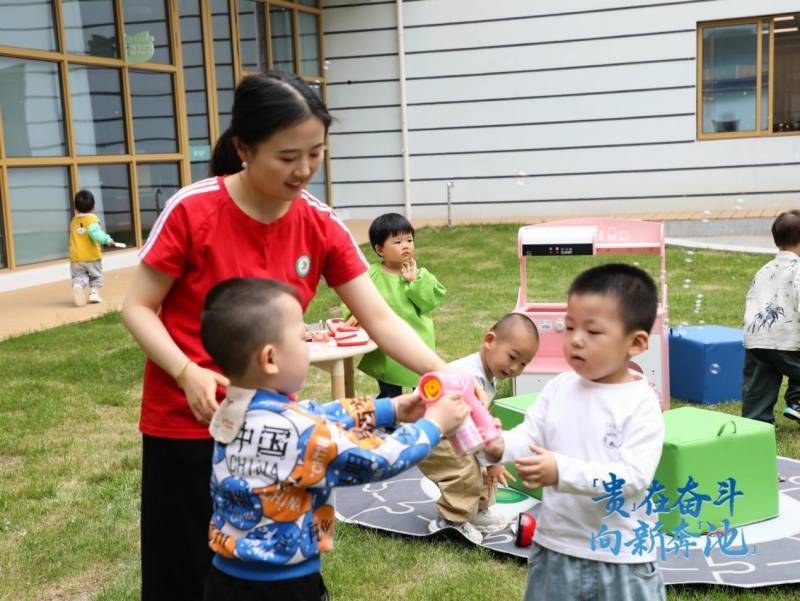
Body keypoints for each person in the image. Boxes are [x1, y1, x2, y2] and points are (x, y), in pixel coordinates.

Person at [122, 71, 454, 601]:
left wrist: (445, 373)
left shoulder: (320, 223)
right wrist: (186, 371)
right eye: (287, 156)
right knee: (180, 573)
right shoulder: (192, 209)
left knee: (276, 565)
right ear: (244, 148)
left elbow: (382, 319)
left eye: (316, 153)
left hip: (274, 427)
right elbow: (137, 307)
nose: (304, 170)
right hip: (184, 422)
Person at [199, 277, 469, 600]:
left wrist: (391, 409)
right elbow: (379, 457)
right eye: (303, 338)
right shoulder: (301, 433)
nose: (310, 343)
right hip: (283, 587)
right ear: (270, 358)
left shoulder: (231, 411)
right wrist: (434, 425)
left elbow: (317, 414)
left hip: (223, 578)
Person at [483, 264, 665, 601]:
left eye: (593, 331)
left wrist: (560, 471)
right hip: (556, 550)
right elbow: (529, 436)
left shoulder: (640, 403)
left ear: (636, 343)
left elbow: (633, 478)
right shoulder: (559, 388)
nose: (576, 339)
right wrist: (496, 446)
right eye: (569, 327)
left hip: (620, 559)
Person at [419, 312, 539, 543]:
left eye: (523, 363)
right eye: (513, 357)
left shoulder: (487, 375)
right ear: (490, 340)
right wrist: (492, 462)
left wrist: (490, 463)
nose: (515, 367)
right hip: (431, 432)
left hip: (453, 430)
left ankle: (477, 511)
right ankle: (451, 521)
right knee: (464, 472)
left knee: (482, 468)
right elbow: (469, 431)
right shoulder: (470, 375)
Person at [343, 213, 446, 398]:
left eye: (409, 240)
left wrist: (413, 282)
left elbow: (428, 303)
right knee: (389, 392)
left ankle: (425, 419)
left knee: (423, 391)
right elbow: (355, 297)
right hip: (388, 346)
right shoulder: (372, 275)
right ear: (380, 249)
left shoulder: (420, 274)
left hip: (418, 340)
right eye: (397, 242)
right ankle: (387, 422)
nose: (406, 245)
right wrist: (357, 313)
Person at [742, 210, 800, 425]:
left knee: (759, 385)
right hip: (787, 341)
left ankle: (756, 426)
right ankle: (798, 402)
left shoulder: (764, 269)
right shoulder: (798, 270)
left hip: (757, 340)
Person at [69, 189, 114, 306]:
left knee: (79, 276)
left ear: (76, 208)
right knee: (95, 276)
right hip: (91, 257)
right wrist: (107, 240)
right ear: (94, 206)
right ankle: (94, 293)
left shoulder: (74, 221)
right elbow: (96, 234)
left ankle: (78, 285)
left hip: (76, 258)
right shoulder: (92, 220)